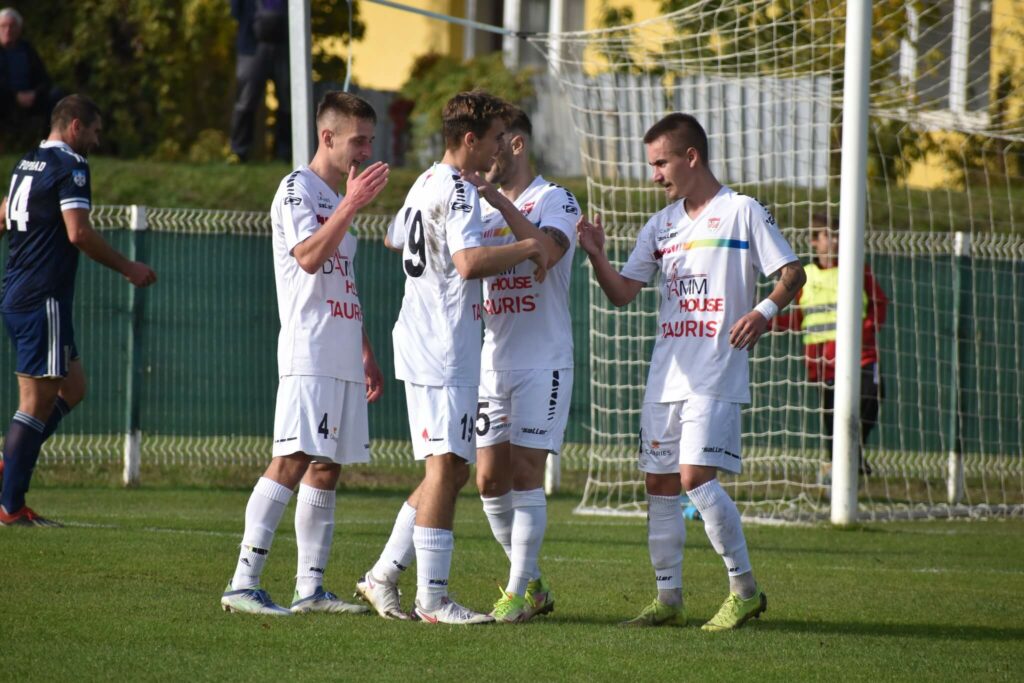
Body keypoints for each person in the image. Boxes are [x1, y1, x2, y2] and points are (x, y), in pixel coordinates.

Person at [577, 112, 805, 630]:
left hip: (715, 370)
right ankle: (668, 599)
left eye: (661, 163)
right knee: (659, 482)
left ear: (692, 157)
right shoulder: (660, 225)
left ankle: (744, 590)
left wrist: (762, 312)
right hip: (667, 375)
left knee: (694, 477)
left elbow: (793, 273)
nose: (654, 175)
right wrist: (596, 255)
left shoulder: (741, 210)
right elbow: (622, 294)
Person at [354, 91, 547, 625]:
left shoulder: (424, 182)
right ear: (469, 139)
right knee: (444, 468)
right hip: (442, 345)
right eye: (493, 138)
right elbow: (468, 263)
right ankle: (433, 600)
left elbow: (395, 238)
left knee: (452, 469)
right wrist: (528, 247)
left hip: (424, 337)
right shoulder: (459, 188)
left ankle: (382, 575)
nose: (498, 148)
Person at [219, 92, 390, 615]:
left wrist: (364, 348)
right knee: (292, 459)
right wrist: (350, 204)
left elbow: (342, 278)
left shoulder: (336, 196)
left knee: (326, 466)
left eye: (370, 141)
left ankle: (309, 588)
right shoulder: (297, 188)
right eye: (358, 140)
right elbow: (311, 258)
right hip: (310, 349)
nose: (365, 151)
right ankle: (242, 582)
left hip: (342, 348)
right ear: (327, 136)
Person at [0, 94, 157, 527]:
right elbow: (78, 232)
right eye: (95, 131)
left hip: (21, 294)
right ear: (75, 126)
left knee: (73, 387)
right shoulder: (72, 165)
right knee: (36, 402)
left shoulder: (27, 162)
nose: (97, 141)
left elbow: (3, 217)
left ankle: (11, 464)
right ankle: (10, 506)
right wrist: (128, 267)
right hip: (42, 297)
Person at [471, 107, 579, 623]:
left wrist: (497, 200)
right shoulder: (477, 207)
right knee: (489, 481)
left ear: (515, 144)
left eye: (494, 142)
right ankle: (532, 582)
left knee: (526, 473)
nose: (484, 153)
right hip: (493, 361)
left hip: (544, 362)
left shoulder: (556, 199)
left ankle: (516, 593)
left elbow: (546, 253)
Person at [772, 213, 888, 476]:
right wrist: (768, 321)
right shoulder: (806, 276)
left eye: (838, 235)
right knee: (833, 414)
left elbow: (879, 304)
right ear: (814, 241)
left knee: (872, 396)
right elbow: (800, 318)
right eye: (828, 235)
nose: (834, 241)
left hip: (861, 354)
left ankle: (853, 452)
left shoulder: (858, 269)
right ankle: (839, 467)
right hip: (822, 361)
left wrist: (865, 332)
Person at [228, 0, 291, 162]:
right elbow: (236, 11)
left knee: (288, 100)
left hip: (285, 44)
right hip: (251, 45)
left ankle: (286, 152)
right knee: (246, 100)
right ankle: (239, 151)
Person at [0, 8, 62, 138]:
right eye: (3, 26)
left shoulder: (27, 49)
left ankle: (49, 141)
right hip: (6, 98)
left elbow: (44, 78)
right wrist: (15, 96)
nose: (8, 30)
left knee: (57, 95)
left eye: (12, 26)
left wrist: (34, 93)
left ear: (19, 29)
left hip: (31, 97)